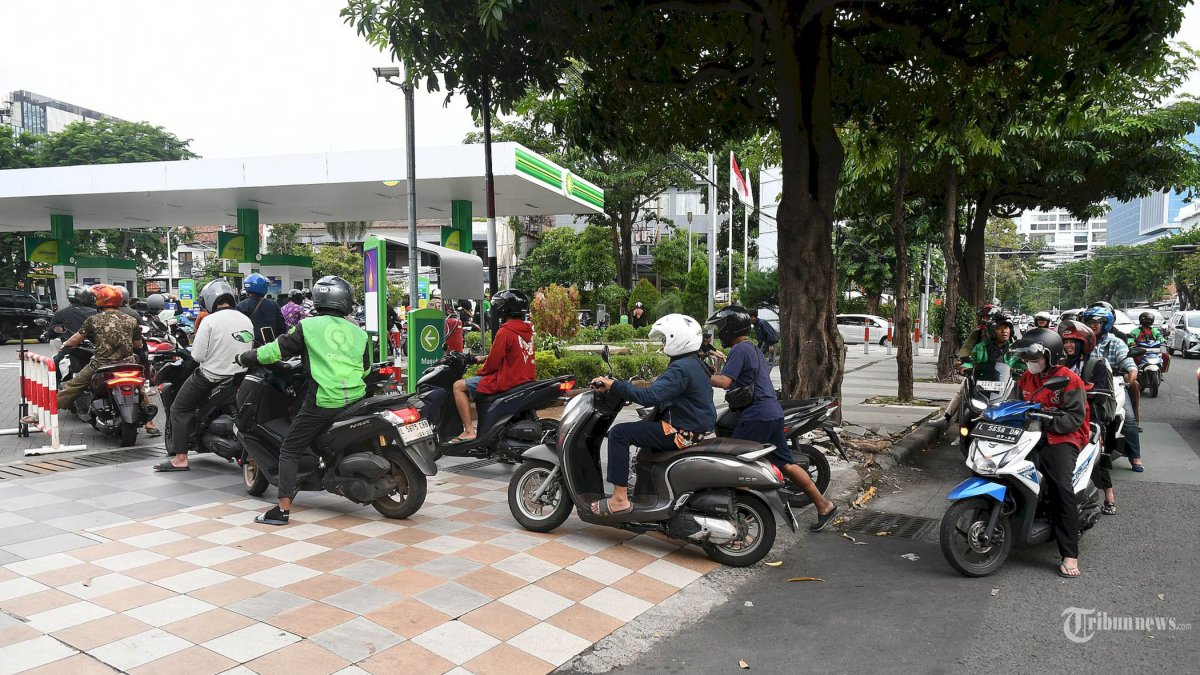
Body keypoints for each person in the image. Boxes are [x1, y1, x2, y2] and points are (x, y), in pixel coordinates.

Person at [235, 276, 369, 526]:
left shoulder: (308, 326)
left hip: (325, 399)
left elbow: (276, 350)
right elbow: (365, 367)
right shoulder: (357, 331)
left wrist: (246, 357)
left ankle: (282, 509)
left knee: (290, 448)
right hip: (356, 397)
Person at [706, 307, 839, 531]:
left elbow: (725, 382)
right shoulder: (754, 350)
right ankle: (824, 505)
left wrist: (701, 374)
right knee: (785, 462)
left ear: (730, 328)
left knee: (734, 462)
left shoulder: (739, 349)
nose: (719, 334)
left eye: (721, 329)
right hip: (773, 413)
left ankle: (738, 515)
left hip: (756, 414)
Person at [589, 314, 716, 515]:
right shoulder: (694, 363)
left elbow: (650, 396)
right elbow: (664, 391)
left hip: (681, 431)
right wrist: (622, 388)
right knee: (642, 431)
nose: (664, 342)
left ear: (678, 339)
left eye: (666, 338)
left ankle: (620, 499)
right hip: (694, 428)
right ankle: (645, 490)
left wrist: (614, 384)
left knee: (619, 433)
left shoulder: (681, 368)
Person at [1010, 327, 1089, 578]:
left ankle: (1069, 553)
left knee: (1060, 486)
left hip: (1062, 437)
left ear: (1051, 355)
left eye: (1035, 358)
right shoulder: (1026, 378)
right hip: (1029, 435)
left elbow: (1075, 417)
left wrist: (1046, 424)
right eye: (1028, 358)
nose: (1030, 363)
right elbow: (1013, 404)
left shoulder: (1068, 379)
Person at [155, 279, 253, 472]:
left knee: (179, 409)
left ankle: (181, 458)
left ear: (208, 300)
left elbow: (198, 356)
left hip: (211, 377)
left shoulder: (209, 320)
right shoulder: (245, 319)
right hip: (240, 377)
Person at [448, 289, 536, 443]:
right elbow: (513, 354)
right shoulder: (527, 330)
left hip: (507, 379)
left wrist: (481, 371)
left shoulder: (506, 331)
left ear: (505, 308)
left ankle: (469, 430)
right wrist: (484, 358)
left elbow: (493, 363)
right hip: (525, 379)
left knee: (458, 386)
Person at [1058, 320, 1118, 515]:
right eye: (1065, 341)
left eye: (1072, 342)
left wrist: (1082, 390)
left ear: (1083, 344)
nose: (1068, 345)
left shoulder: (1096, 365)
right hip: (1063, 417)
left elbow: (1102, 393)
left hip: (1090, 419)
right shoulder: (1061, 364)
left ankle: (1109, 497)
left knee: (1093, 462)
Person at [55, 285, 143, 412]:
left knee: (72, 386)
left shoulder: (94, 319)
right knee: (139, 387)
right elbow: (138, 344)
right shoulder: (131, 320)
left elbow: (77, 338)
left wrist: (65, 345)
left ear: (101, 300)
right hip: (127, 363)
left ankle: (45, 411)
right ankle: (150, 423)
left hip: (101, 364)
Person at [1081, 305, 1142, 471]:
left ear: (1106, 323)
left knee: (1128, 418)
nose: (1093, 325)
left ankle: (1135, 456)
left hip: (1113, 383)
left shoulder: (1115, 342)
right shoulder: (1082, 342)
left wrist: (1132, 371)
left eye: (1097, 322)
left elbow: (1125, 358)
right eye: (1089, 321)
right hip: (1085, 384)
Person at [49, 285, 97, 381]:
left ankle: (56, 389)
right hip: (95, 348)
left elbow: (51, 333)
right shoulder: (96, 312)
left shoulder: (61, 313)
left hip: (71, 348)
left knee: (54, 365)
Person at [236, 273, 286, 346]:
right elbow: (282, 328)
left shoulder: (241, 306)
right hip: (271, 348)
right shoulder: (273, 305)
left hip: (250, 348)